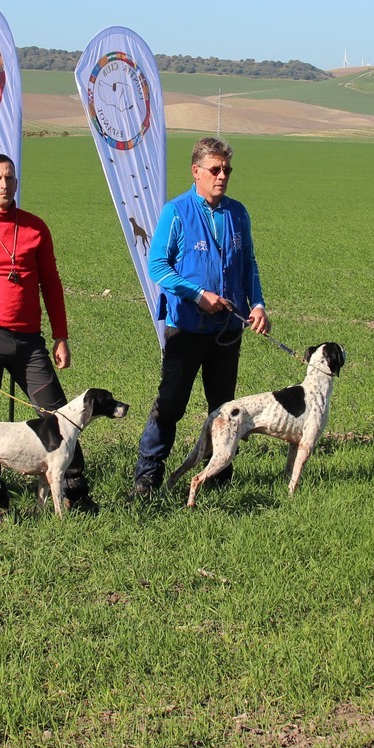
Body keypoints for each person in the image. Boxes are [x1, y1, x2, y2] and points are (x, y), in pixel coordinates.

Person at [0, 153, 91, 521]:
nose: (4, 185)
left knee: (60, 416)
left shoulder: (35, 228)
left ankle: (77, 495)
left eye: (9, 178)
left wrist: (61, 336)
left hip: (29, 343)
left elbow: (51, 285)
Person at [132, 137, 268, 497]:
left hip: (228, 329)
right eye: (215, 169)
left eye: (227, 170)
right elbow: (157, 265)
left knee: (223, 407)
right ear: (196, 172)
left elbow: (248, 265)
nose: (222, 175)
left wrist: (258, 305)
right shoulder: (176, 212)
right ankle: (147, 478)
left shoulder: (238, 213)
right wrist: (198, 295)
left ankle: (219, 477)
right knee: (171, 404)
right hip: (187, 328)